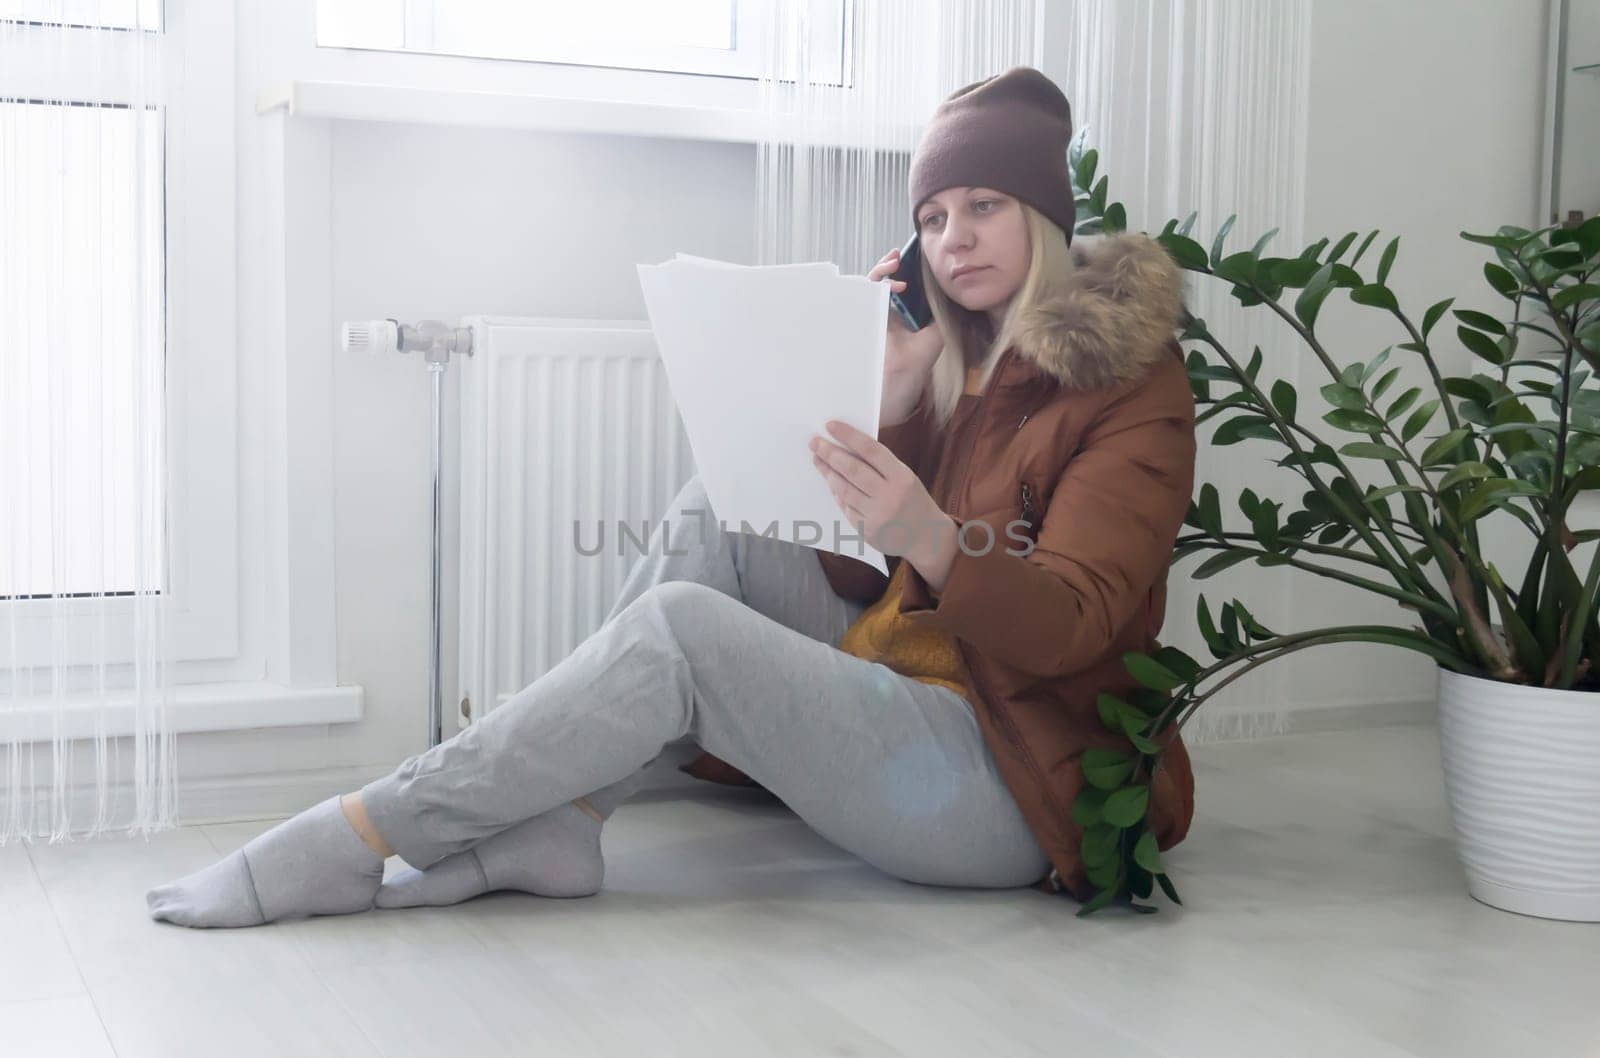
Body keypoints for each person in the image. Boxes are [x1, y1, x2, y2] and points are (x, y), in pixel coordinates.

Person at [145, 65, 1197, 928]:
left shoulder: (1132, 384)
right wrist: (884, 407)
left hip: (1008, 778)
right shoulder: (943, 357)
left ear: (1045, 218)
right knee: (715, 508)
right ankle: (571, 815)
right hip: (913, 686)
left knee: (682, 629)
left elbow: (1069, 621)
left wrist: (925, 527)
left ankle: (361, 831)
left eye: (983, 206)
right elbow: (866, 581)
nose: (952, 237)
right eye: (931, 215)